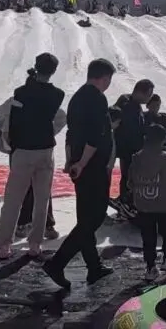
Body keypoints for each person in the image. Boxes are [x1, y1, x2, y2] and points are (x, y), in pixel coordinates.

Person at [44, 58, 118, 290]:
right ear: (104, 78)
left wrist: (71, 160)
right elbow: (95, 136)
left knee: (85, 217)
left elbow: (71, 134)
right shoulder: (97, 98)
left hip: (79, 163)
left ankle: (93, 266)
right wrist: (83, 163)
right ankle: (57, 263)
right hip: (91, 166)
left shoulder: (76, 98)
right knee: (93, 218)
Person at [0, 53, 65, 260]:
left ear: (36, 67)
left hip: (23, 151)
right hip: (46, 150)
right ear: (54, 71)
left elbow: (11, 118)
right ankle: (35, 244)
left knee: (13, 201)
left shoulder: (21, 92)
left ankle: (3, 245)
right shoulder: (58, 94)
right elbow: (59, 117)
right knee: (42, 199)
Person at [130, 123, 166, 279]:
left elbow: (130, 182)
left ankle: (150, 267)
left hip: (144, 204)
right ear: (163, 140)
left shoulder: (136, 158)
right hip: (165, 204)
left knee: (148, 236)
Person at [114, 79, 155, 207]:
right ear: (140, 92)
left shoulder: (135, 105)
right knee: (128, 178)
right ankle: (126, 203)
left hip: (134, 151)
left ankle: (127, 202)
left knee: (129, 178)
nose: (150, 98)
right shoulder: (127, 104)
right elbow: (129, 130)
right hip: (128, 150)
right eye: (148, 94)